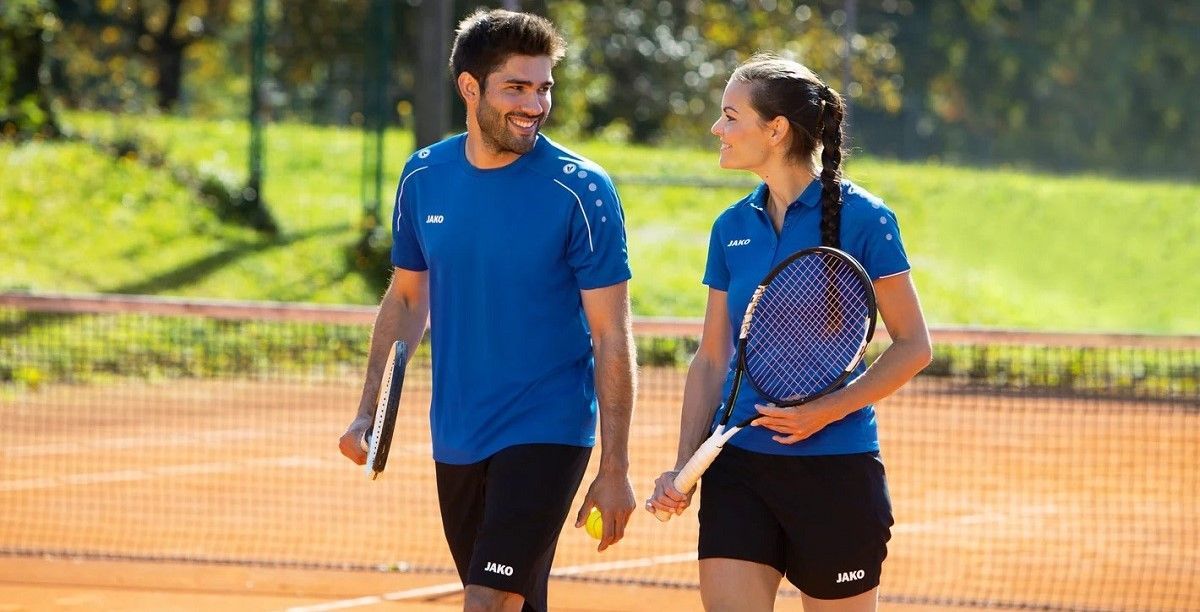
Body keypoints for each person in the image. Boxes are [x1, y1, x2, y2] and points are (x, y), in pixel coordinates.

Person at [339, 9, 636, 612]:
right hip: (456, 433)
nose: (535, 104)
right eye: (517, 88)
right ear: (470, 88)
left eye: (545, 87)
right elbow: (405, 297)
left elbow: (611, 334)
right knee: (517, 602)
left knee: (485, 601)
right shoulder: (423, 176)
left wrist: (614, 466)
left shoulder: (582, 190)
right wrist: (368, 408)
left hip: (547, 428)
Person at [646, 54, 933, 612]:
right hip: (738, 470)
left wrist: (826, 411)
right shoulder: (729, 227)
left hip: (835, 472)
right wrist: (686, 463)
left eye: (731, 116)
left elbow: (914, 345)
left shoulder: (867, 219)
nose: (717, 129)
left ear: (775, 130)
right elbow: (711, 360)